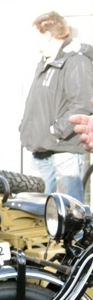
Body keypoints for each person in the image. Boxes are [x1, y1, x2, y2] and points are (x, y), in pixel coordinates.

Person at [19, 11, 93, 203]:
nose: (33, 41)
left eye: (36, 35)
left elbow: (81, 105)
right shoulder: (46, 62)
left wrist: (56, 131)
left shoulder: (76, 61)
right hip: (41, 148)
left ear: (48, 34)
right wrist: (26, 127)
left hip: (63, 149)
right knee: (37, 207)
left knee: (69, 209)